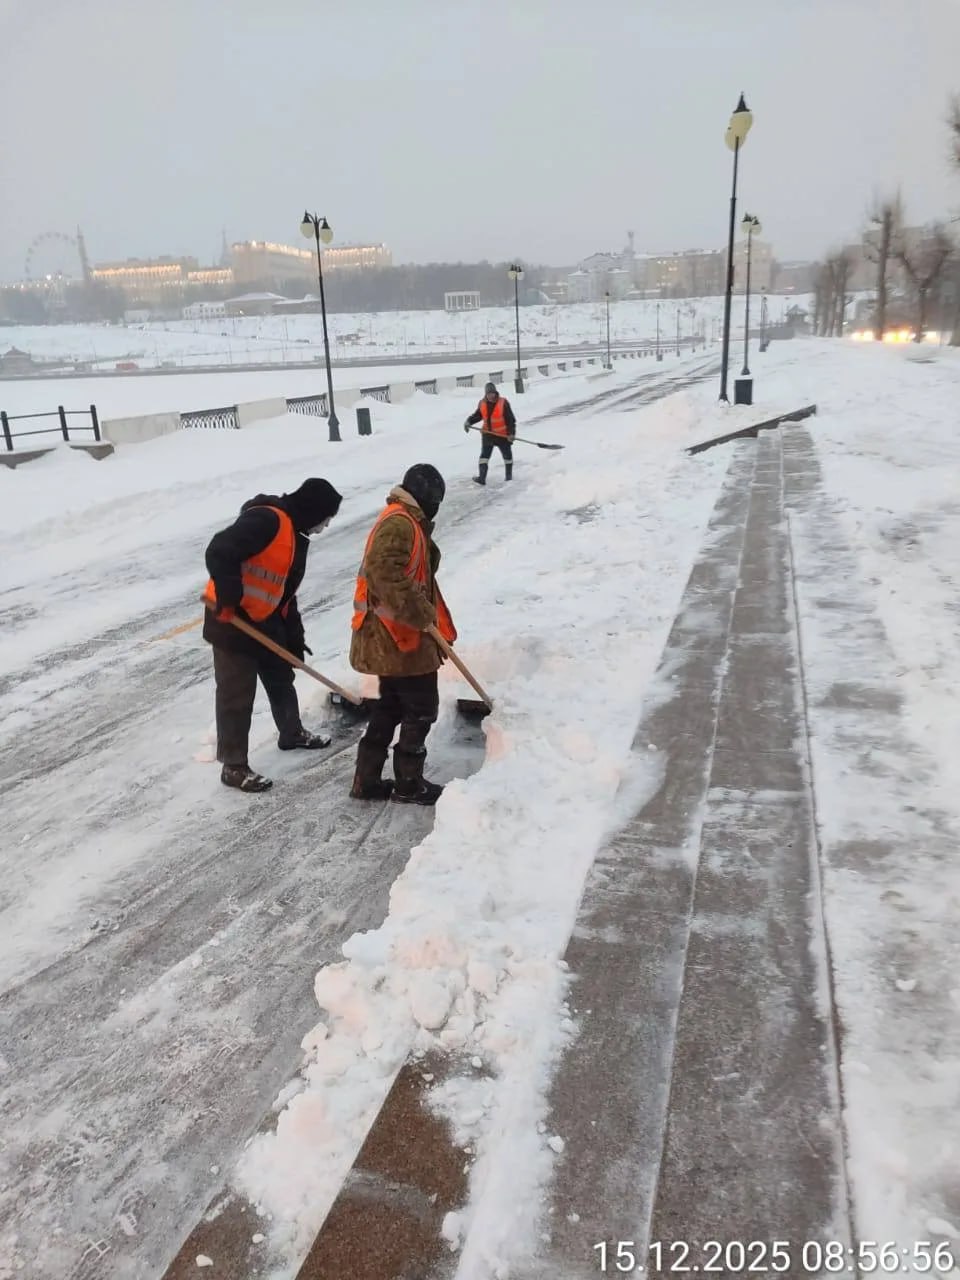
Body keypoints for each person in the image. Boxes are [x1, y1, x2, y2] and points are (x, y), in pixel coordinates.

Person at [203, 477, 343, 793]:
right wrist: (229, 598)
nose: (325, 527)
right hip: (231, 619)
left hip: (263, 619)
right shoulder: (267, 519)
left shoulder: (294, 535)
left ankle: (291, 732)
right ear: (313, 511)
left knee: (281, 676)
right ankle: (233, 766)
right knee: (236, 693)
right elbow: (220, 550)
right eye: (325, 519)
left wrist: (294, 637)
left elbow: (283, 594)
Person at [349, 464, 456, 806]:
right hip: (398, 637)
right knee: (422, 708)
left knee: (391, 705)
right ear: (426, 497)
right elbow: (383, 571)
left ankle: (366, 780)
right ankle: (409, 784)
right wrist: (420, 612)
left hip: (393, 635)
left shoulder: (406, 519)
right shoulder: (400, 522)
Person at [463, 381, 516, 485]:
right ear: (486, 394)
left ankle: (508, 477)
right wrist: (469, 421)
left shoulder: (503, 403)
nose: (491, 396)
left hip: (502, 435)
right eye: (488, 394)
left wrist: (511, 433)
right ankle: (482, 478)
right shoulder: (482, 403)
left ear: (495, 393)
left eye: (492, 393)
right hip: (488, 434)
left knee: (507, 457)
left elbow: (510, 420)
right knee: (484, 457)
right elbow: (477, 415)